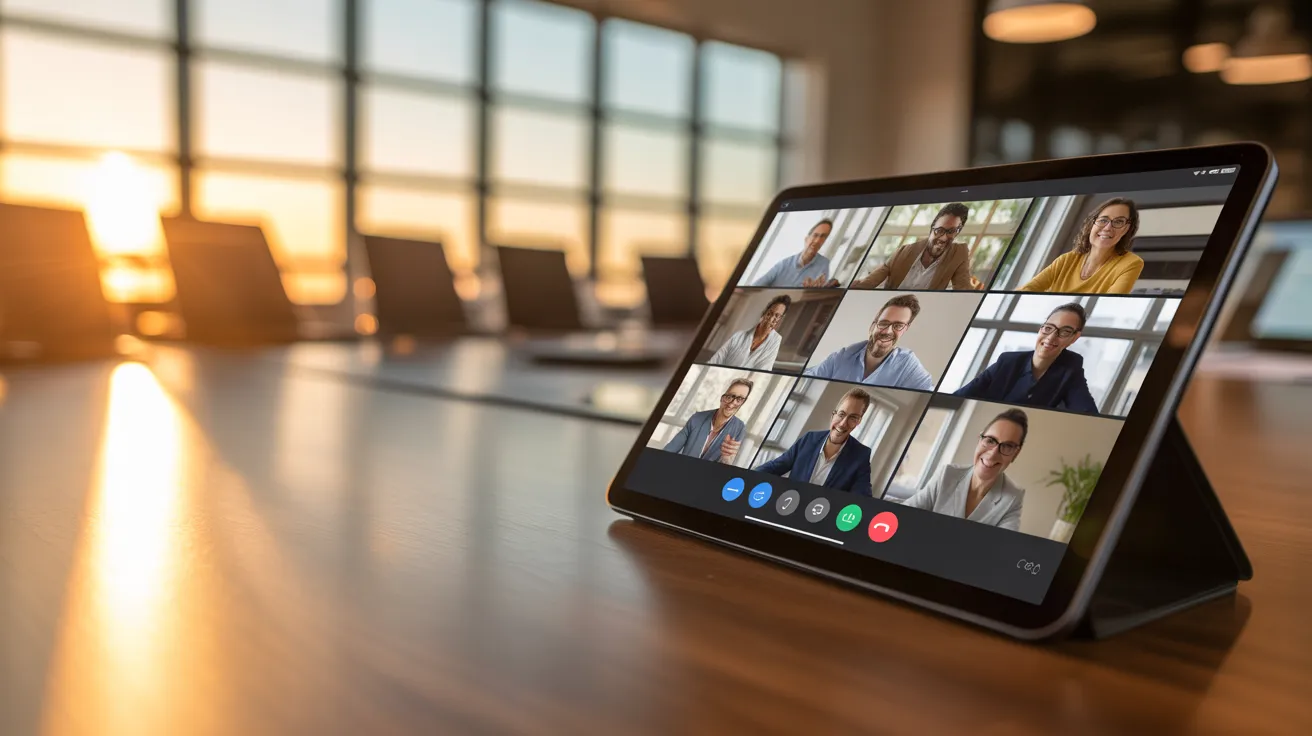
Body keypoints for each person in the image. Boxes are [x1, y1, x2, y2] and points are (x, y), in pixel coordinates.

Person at [954, 303, 1098, 414]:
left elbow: (1087, 411)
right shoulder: (1008, 361)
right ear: (1041, 329)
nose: (1051, 337)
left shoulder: (1071, 366)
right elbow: (960, 396)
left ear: (1074, 338)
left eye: (1065, 332)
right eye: (1048, 328)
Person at [901, 408, 1028, 531]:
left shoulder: (1013, 497)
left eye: (1007, 446)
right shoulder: (947, 474)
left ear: (1015, 454)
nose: (993, 454)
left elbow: (1004, 547)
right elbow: (904, 514)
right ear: (980, 440)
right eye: (990, 440)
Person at [753, 388, 874, 496]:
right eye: (841, 414)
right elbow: (776, 466)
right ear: (834, 414)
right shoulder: (809, 439)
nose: (843, 424)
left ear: (858, 422)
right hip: (787, 506)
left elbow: (861, 497)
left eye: (853, 418)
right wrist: (746, 477)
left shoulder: (861, 454)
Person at [803, 294, 934, 390]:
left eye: (898, 326)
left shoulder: (909, 365)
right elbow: (807, 376)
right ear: (873, 325)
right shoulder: (843, 355)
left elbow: (929, 393)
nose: (888, 331)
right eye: (884, 323)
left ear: (905, 329)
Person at [1020, 197, 1145, 294]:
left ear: (1126, 229)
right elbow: (1027, 289)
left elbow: (1109, 304)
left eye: (1118, 222)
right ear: (1092, 225)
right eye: (1103, 220)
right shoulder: (1067, 260)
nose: (1108, 227)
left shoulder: (1131, 263)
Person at [851, 202, 976, 290]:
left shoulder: (959, 252)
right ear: (931, 228)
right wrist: (856, 287)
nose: (943, 238)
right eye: (939, 230)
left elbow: (963, 287)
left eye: (951, 231)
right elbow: (878, 275)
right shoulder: (905, 251)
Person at [662, 378, 752, 464]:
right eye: (729, 397)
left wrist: (727, 459)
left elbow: (728, 468)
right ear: (722, 397)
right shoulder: (697, 418)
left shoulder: (740, 428)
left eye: (739, 399)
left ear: (743, 402)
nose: (732, 403)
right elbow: (671, 449)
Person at [708, 294, 791, 371]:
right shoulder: (739, 336)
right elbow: (715, 360)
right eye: (770, 313)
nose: (771, 319)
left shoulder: (775, 341)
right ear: (764, 313)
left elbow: (764, 370)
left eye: (777, 316)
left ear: (780, 319)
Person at [751, 219, 837, 288]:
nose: (818, 241)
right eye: (815, 235)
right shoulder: (784, 264)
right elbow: (756, 286)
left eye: (823, 237)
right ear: (806, 239)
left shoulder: (824, 264)